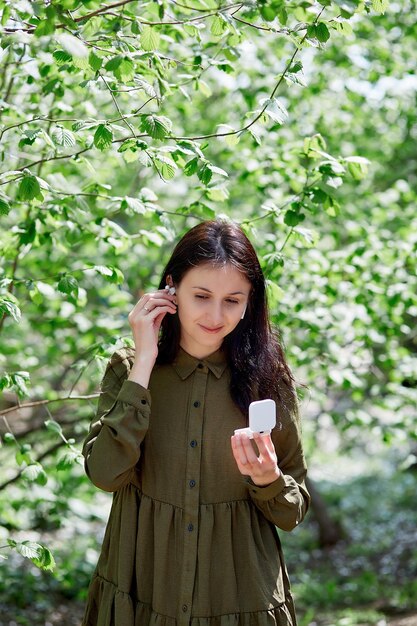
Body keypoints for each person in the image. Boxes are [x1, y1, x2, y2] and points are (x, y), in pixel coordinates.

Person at [81, 219, 310, 626]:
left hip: (239, 594)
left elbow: (291, 512)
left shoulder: (267, 377)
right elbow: (104, 474)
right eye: (201, 295)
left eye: (232, 300)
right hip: (143, 586)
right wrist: (145, 362)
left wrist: (268, 478)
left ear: (250, 302)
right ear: (171, 288)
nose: (215, 315)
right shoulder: (130, 368)